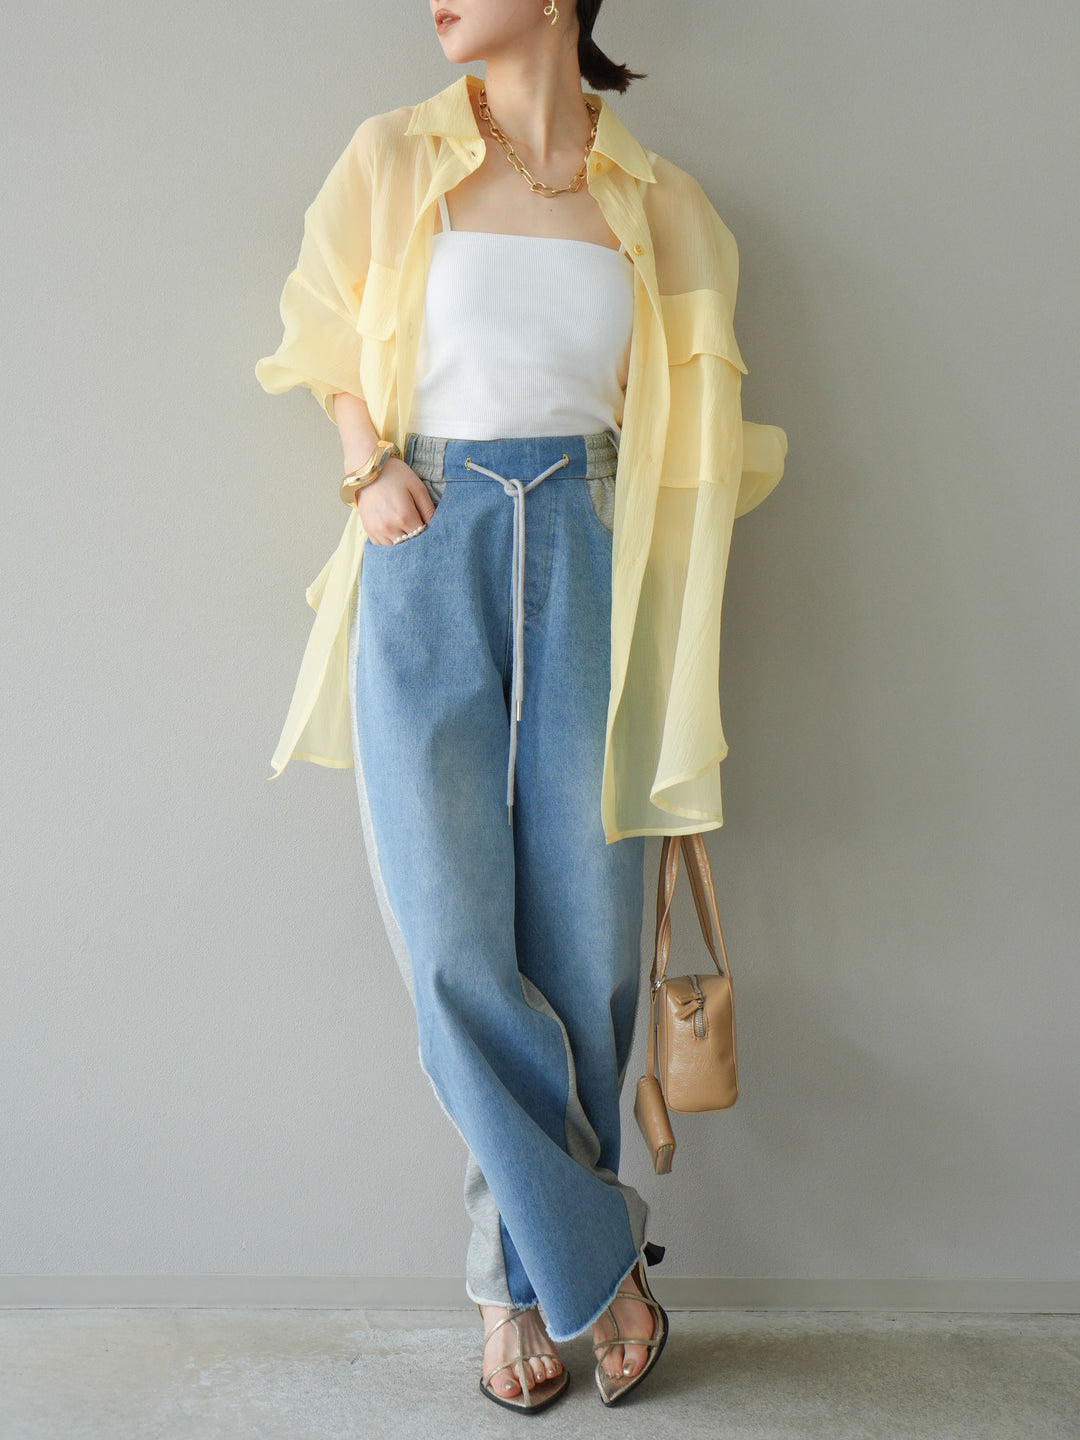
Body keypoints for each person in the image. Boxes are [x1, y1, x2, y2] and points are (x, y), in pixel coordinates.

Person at [255, 0, 787, 1414]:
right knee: (451, 943)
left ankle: (515, 1288)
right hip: (426, 538)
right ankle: (597, 1269)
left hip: (596, 547)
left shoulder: (661, 202)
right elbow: (320, 330)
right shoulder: (394, 156)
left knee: (589, 951)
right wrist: (367, 466)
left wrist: (661, 601)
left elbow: (699, 430)